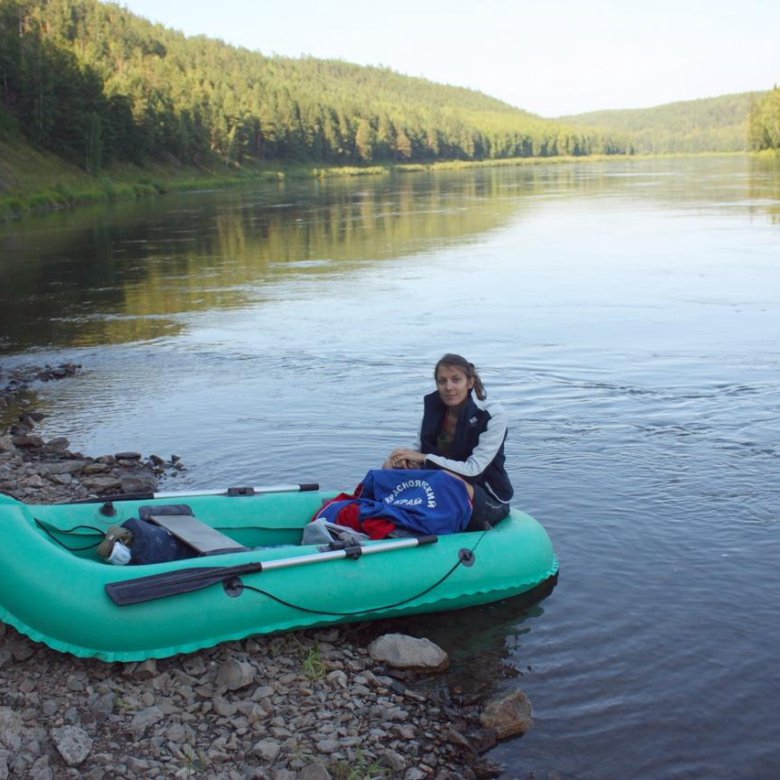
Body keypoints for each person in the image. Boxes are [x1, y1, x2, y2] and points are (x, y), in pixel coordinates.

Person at [383, 353, 513, 530]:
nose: (448, 387)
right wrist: (405, 459)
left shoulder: (493, 415)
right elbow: (418, 450)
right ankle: (390, 518)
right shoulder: (435, 410)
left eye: (456, 380)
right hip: (440, 481)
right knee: (389, 466)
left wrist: (422, 458)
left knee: (447, 480)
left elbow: (472, 471)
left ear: (469, 382)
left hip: (486, 497)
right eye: (442, 381)